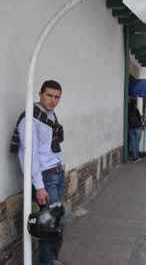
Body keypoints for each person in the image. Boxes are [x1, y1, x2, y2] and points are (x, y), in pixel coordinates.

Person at [10, 80, 65, 265]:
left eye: (57, 97)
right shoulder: (30, 119)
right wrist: (39, 186)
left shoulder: (49, 115)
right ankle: (48, 262)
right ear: (40, 94)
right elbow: (28, 156)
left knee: (55, 222)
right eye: (49, 95)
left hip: (56, 174)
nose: (53, 100)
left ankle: (51, 259)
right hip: (46, 178)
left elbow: (49, 148)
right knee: (48, 225)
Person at [128, 98, 143, 163]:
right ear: (135, 104)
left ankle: (134, 156)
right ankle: (136, 157)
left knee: (133, 143)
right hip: (137, 127)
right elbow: (139, 118)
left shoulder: (128, 109)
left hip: (131, 128)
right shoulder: (136, 110)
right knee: (137, 143)